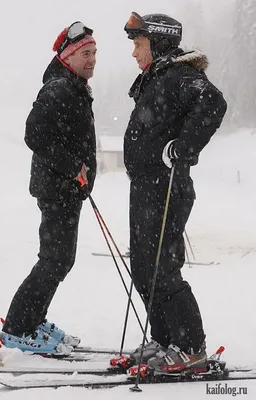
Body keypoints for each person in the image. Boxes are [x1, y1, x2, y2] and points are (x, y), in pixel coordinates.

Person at [123, 12, 227, 372]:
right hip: (146, 187)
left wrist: (184, 148)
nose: (135, 53)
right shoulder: (157, 78)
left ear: (159, 41)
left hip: (167, 187)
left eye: (139, 44)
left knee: (162, 268)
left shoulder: (179, 75)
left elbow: (214, 103)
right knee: (143, 267)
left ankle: (191, 347)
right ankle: (167, 339)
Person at [0, 22, 97, 354]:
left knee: (58, 259)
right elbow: (34, 135)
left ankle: (32, 321)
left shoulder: (73, 85)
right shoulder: (60, 88)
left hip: (66, 189)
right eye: (86, 53)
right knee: (54, 260)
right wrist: (73, 167)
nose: (93, 59)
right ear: (69, 56)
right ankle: (17, 329)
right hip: (57, 189)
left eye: (94, 52)